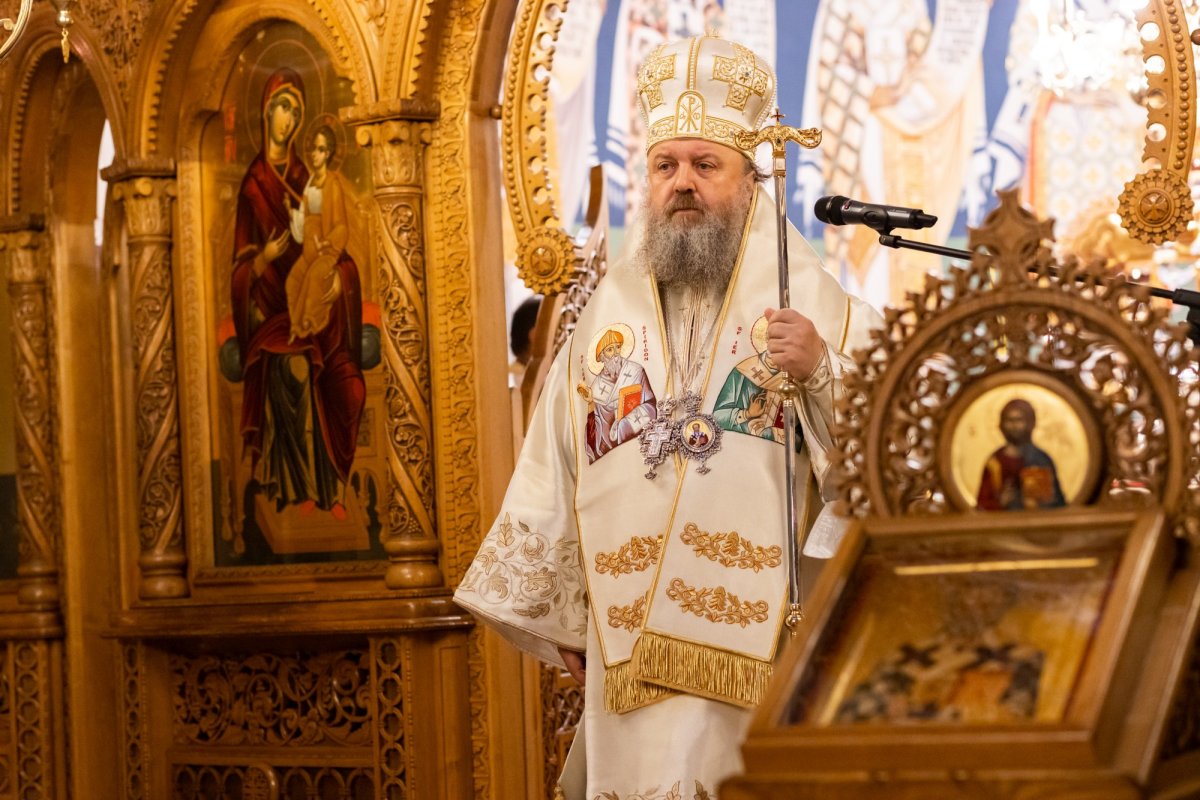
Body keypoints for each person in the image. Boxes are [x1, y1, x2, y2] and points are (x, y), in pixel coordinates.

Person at [455, 35, 883, 799]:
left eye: (705, 165)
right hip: (625, 636)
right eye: (665, 166)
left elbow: (885, 449)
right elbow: (557, 458)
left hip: (760, 635)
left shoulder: (810, 298)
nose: (682, 183)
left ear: (750, 181)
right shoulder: (605, 312)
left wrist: (821, 367)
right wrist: (566, 613)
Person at [230, 68, 365, 520]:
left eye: (294, 111)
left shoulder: (309, 177)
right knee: (293, 368)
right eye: (281, 108)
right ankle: (298, 490)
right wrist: (264, 259)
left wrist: (337, 277)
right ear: (266, 112)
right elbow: (239, 271)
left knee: (332, 375)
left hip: (315, 301)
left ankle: (328, 492)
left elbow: (329, 237)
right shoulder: (253, 185)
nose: (287, 119)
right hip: (271, 312)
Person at [286, 123, 354, 342]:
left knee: (314, 278)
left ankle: (310, 326)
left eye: (321, 149)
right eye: (314, 149)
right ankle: (296, 327)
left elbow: (342, 225)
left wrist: (327, 242)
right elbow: (304, 219)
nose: (315, 154)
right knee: (292, 281)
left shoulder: (333, 184)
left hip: (326, 251)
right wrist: (291, 212)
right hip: (308, 250)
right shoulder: (310, 183)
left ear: (328, 153)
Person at [975, 399, 1066, 511]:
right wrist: (1000, 503)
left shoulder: (1041, 459)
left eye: (1019, 420)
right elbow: (981, 506)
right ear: (1001, 425)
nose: (1014, 425)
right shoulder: (994, 463)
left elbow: (1059, 503)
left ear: (1030, 423)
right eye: (1009, 420)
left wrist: (1043, 500)